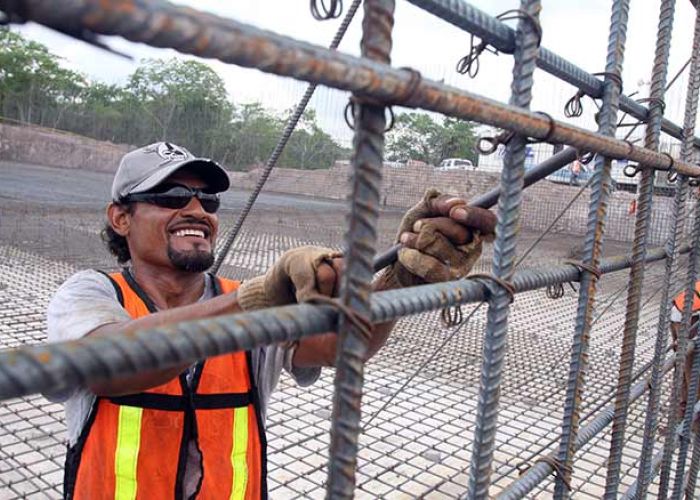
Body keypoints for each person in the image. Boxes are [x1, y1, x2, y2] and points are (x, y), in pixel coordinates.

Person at [47, 142, 497, 499]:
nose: (197, 210)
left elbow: (341, 345)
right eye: (171, 196)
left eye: (208, 199)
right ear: (121, 217)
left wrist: (401, 278)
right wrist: (255, 299)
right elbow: (108, 364)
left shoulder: (235, 298)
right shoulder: (91, 294)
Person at [670, 283, 700, 426]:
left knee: (684, 371)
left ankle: (683, 417)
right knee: (693, 374)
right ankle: (693, 423)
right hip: (688, 319)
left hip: (681, 314)